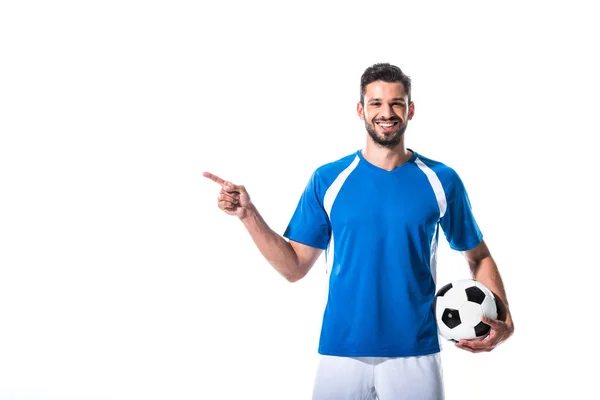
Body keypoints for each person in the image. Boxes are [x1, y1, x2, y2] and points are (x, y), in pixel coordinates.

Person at [203, 63, 514, 399]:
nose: (387, 112)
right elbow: (294, 267)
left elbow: (478, 255)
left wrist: (503, 315)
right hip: (340, 352)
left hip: (415, 351)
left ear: (410, 110)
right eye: (376, 103)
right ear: (360, 110)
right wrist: (248, 215)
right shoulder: (328, 179)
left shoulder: (442, 180)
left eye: (396, 103)